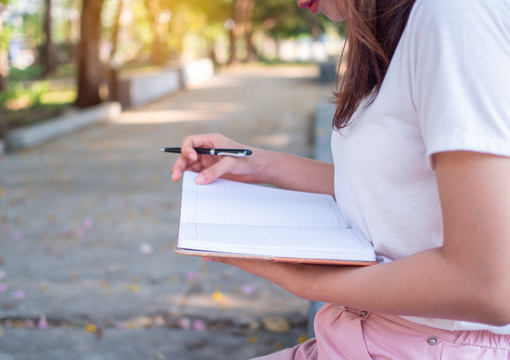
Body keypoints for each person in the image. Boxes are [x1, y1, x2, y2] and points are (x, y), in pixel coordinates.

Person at [169, 0, 510, 358]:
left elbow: (487, 285)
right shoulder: (402, 28)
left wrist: (302, 280)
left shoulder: (457, 17)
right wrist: (257, 164)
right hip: (362, 334)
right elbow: (385, 188)